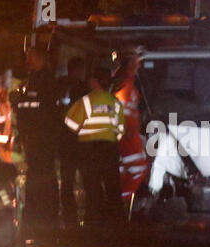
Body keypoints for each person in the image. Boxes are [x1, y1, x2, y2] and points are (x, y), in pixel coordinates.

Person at [65, 68, 126, 233]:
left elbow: (70, 124)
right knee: (113, 186)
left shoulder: (85, 101)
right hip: (110, 149)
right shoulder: (114, 102)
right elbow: (120, 130)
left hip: (90, 150)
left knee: (92, 187)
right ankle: (117, 223)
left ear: (95, 82)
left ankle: (94, 223)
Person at [14, 47, 60, 236]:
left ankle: (41, 220)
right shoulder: (35, 80)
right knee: (38, 178)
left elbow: (38, 110)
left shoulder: (45, 80)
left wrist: (20, 102)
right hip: (36, 139)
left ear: (39, 59)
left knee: (42, 179)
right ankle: (36, 220)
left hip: (41, 139)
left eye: (30, 58)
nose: (27, 61)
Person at [57, 57, 89, 230]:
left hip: (66, 141)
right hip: (79, 143)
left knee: (67, 181)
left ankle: (70, 218)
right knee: (83, 180)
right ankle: (82, 217)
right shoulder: (82, 89)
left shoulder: (61, 86)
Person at [113, 53, 148, 202]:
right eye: (135, 63)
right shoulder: (123, 87)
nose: (139, 66)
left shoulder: (129, 84)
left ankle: (119, 199)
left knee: (123, 168)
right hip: (127, 135)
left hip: (129, 134)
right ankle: (124, 200)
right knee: (138, 168)